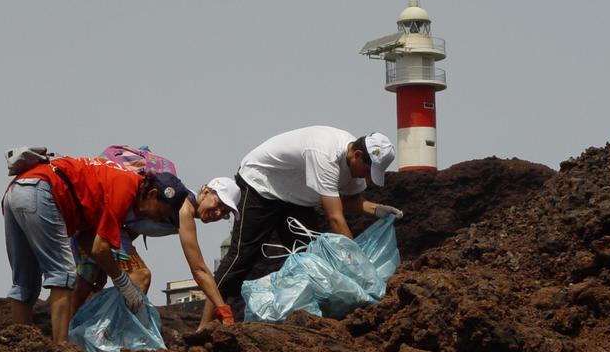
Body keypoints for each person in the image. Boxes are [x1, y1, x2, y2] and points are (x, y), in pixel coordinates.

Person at [198, 126, 404, 330]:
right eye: (367, 171)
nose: (366, 178)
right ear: (357, 155)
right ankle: (205, 324)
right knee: (242, 256)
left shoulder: (354, 165)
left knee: (310, 258)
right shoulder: (326, 154)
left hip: (296, 196)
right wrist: (358, 268)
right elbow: (335, 219)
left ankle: (302, 319)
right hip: (262, 183)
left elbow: (352, 200)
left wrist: (378, 210)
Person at [70, 177, 241, 329]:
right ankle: (114, 338)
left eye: (225, 213)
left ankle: (63, 337)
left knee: (86, 282)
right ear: (205, 192)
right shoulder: (184, 208)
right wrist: (224, 310)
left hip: (96, 222)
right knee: (140, 277)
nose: (218, 213)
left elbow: (134, 223)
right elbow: (199, 270)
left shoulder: (177, 204)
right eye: (218, 204)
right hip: (101, 219)